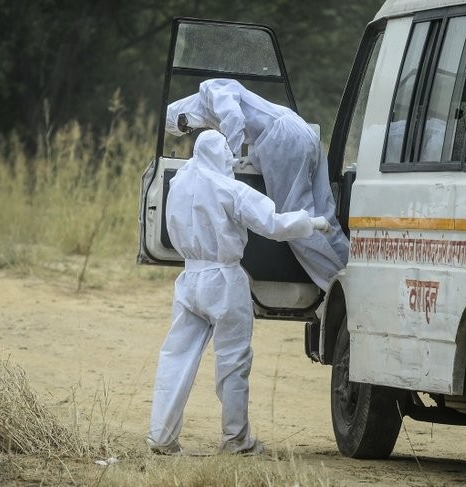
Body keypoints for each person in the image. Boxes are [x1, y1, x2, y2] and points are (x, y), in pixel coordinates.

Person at [147, 130, 331, 455]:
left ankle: (161, 438)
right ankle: (236, 441)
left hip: (189, 279)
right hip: (224, 279)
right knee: (232, 362)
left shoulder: (178, 183)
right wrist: (311, 222)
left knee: (175, 357)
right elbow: (273, 225)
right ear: (221, 156)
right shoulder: (230, 189)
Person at [164, 78, 348, 291]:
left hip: (282, 139)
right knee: (325, 216)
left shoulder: (209, 90)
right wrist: (253, 158)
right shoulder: (213, 111)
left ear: (182, 109)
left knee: (298, 224)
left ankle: (338, 286)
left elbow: (234, 117)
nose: (189, 127)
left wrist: (227, 157)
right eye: (185, 130)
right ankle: (353, 270)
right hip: (298, 130)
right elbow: (254, 123)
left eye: (183, 123)